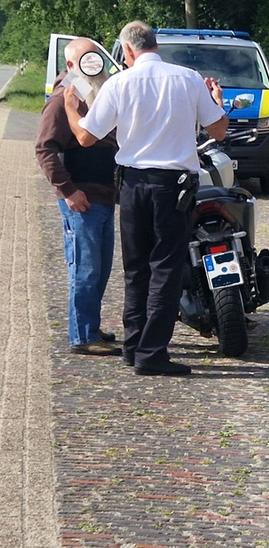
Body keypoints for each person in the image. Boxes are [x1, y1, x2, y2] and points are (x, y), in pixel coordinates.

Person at [64, 20, 228, 376]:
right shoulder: (187, 78)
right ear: (155, 45)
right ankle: (151, 353)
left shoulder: (119, 83)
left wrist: (70, 109)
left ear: (127, 50)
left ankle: (134, 346)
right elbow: (218, 130)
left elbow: (86, 138)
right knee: (165, 269)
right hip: (173, 186)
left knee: (136, 269)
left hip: (132, 185)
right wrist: (217, 103)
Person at [35, 37, 121, 356]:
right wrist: (68, 190)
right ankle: (83, 335)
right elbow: (45, 148)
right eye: (87, 59)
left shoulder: (94, 92)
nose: (95, 64)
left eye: (97, 57)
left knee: (100, 268)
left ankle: (90, 326)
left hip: (104, 195)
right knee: (85, 268)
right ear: (71, 65)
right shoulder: (63, 98)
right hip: (82, 199)